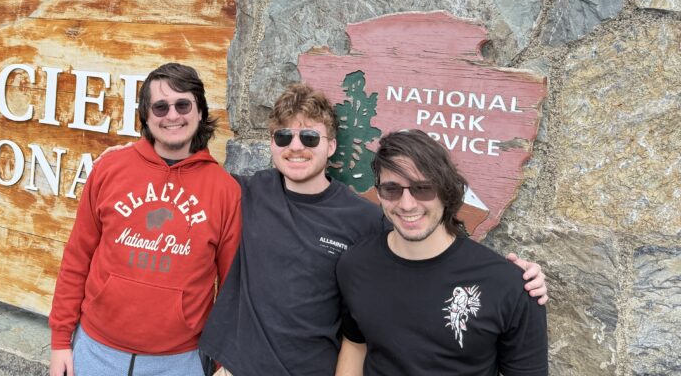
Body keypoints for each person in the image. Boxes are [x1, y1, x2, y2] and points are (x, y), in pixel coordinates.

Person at [198, 83, 546, 376]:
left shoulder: (365, 219)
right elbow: (179, 185)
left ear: (331, 146)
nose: (296, 146)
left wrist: (518, 278)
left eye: (309, 136)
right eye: (284, 136)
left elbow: (426, 254)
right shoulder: (244, 193)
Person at [48, 63, 242, 376]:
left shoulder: (225, 190)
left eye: (183, 105)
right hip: (96, 350)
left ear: (200, 111)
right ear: (146, 115)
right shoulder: (110, 169)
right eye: (160, 107)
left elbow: (232, 286)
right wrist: (60, 342)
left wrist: (226, 363)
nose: (172, 115)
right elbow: (77, 258)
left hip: (180, 361)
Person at [335, 129, 548, 376]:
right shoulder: (355, 265)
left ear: (446, 191)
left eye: (423, 188)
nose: (407, 204)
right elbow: (355, 345)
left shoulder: (509, 285)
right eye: (392, 189)